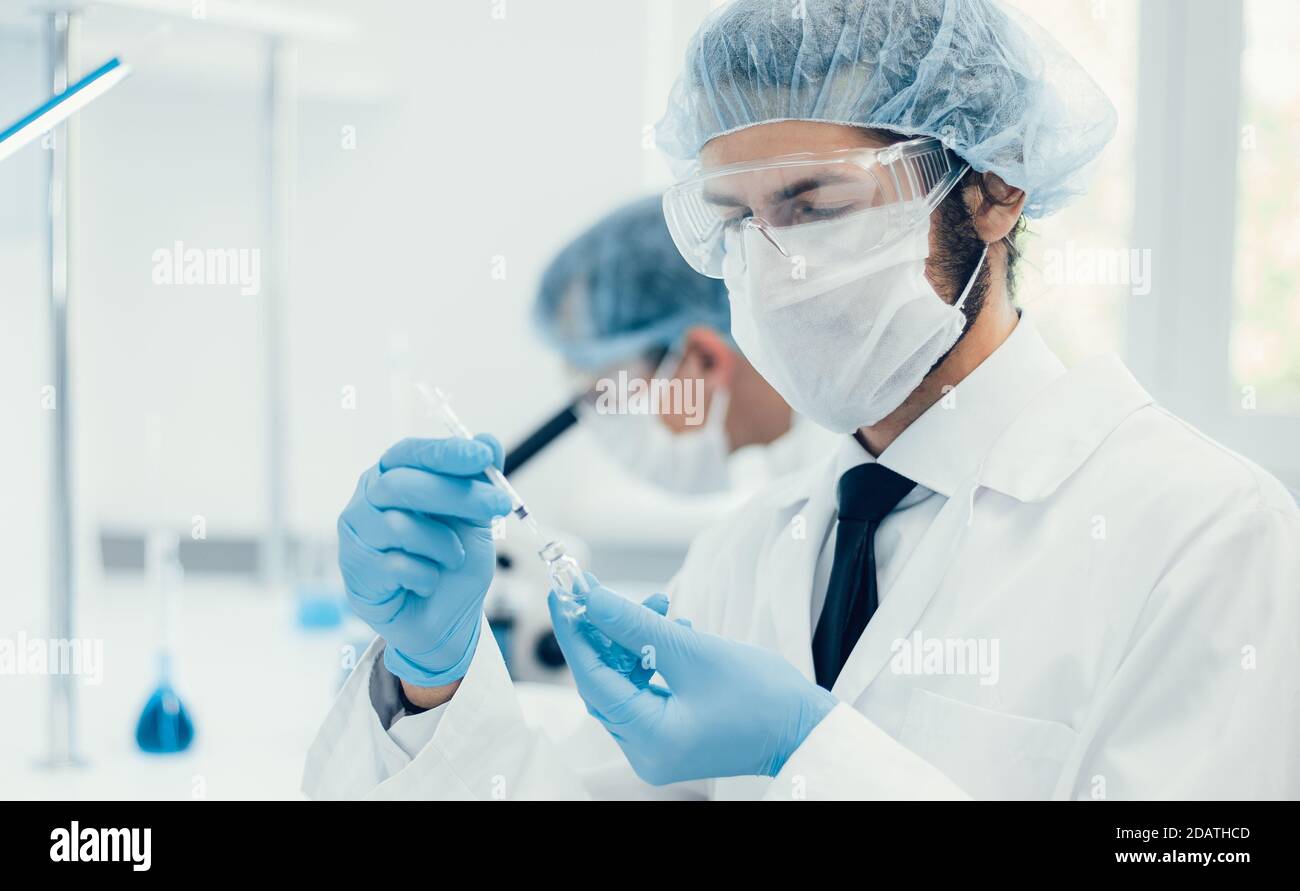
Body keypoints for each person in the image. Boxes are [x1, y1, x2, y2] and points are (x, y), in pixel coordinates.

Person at [308, 0, 1299, 800]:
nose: (774, 272)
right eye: (737, 220)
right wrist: (430, 678)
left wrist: (810, 752)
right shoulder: (749, 555)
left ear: (993, 188)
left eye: (816, 207)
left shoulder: (1205, 535)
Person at [534, 195, 829, 496]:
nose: (610, 420)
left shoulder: (848, 479)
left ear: (706, 358)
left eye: (606, 393)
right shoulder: (802, 484)